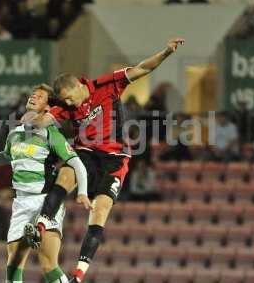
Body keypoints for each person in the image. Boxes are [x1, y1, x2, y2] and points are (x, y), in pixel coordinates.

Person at [21, 38, 184, 282]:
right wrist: (33, 114)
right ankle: (41, 226)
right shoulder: (66, 107)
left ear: (78, 85)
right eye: (63, 101)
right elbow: (40, 122)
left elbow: (142, 68)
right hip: (85, 153)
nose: (67, 104)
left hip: (115, 158)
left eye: (69, 98)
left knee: (100, 211)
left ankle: (78, 275)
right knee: (66, 174)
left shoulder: (107, 85)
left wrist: (166, 53)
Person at [0, 84, 90, 283]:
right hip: (21, 203)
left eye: (40, 96)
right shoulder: (14, 133)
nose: (33, 97)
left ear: (48, 108)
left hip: (45, 202)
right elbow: (5, 156)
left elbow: (77, 164)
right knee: (13, 264)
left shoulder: (51, 134)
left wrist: (82, 191)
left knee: (48, 264)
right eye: (33, 94)